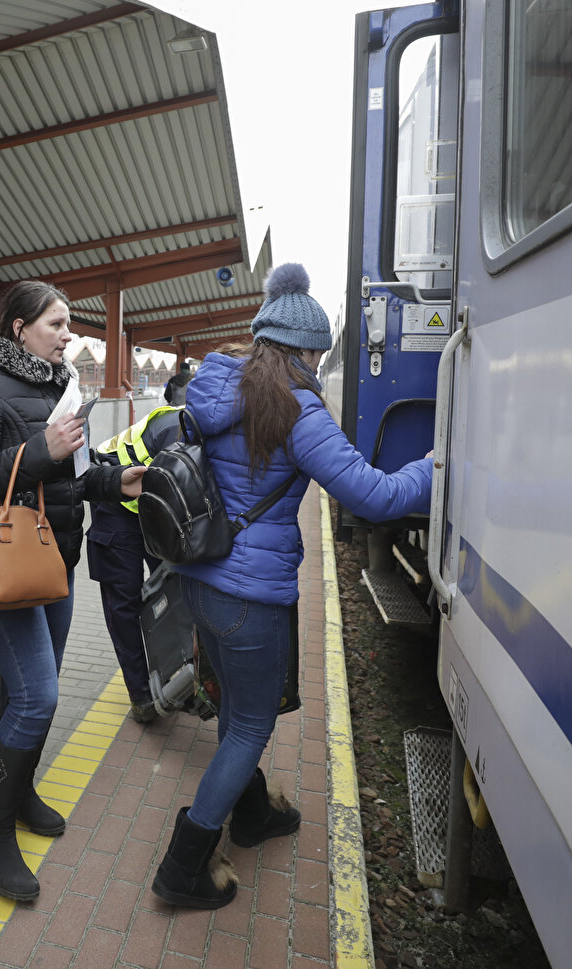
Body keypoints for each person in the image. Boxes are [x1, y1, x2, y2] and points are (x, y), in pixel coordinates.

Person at [151, 263, 433, 910]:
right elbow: (375, 494)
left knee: (234, 711)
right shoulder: (297, 409)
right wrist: (431, 466)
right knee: (250, 725)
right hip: (251, 597)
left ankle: (253, 813)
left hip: (199, 579)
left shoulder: (215, 384)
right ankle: (184, 865)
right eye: (319, 352)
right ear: (306, 351)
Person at [0, 279, 145, 902]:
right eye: (56, 324)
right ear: (18, 329)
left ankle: (20, 792)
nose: (68, 335)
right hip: (7, 563)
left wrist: (115, 483)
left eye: (68, 325)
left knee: (37, 696)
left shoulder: (57, 386)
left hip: (54, 561)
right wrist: (40, 449)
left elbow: (71, 480)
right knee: (37, 696)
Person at [87, 405, 183, 722]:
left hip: (153, 506)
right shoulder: (180, 429)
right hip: (115, 500)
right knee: (124, 604)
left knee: (173, 594)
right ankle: (140, 695)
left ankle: (173, 678)